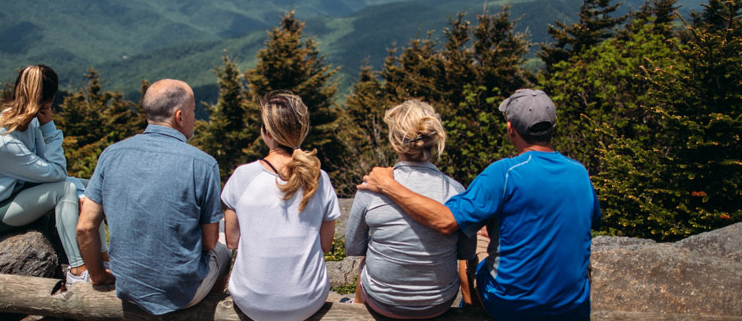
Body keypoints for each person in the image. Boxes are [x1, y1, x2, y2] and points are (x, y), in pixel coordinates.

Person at [357, 89, 601, 321]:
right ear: (552, 127)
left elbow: (446, 222)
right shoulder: (580, 173)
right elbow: (587, 221)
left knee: (473, 237)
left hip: (512, 305)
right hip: (572, 306)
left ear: (510, 128)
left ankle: (470, 309)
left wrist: (389, 186)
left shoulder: (504, 173)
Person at [76, 79, 230, 315]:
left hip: (127, 286)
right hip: (182, 293)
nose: (194, 119)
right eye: (194, 112)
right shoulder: (203, 164)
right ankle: (209, 312)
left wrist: (97, 275)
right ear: (180, 116)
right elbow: (209, 243)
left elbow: (85, 227)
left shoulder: (111, 155)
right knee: (223, 248)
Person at [0, 64, 107, 285]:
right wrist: (49, 126)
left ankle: (103, 258)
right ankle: (77, 270)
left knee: (91, 186)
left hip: (17, 194)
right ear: (47, 101)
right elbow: (58, 174)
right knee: (66, 190)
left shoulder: (23, 122)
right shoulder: (5, 142)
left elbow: (49, 169)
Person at [345, 99, 474, 319]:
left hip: (383, 303)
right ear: (433, 140)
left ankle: (356, 306)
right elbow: (465, 252)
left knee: (366, 257)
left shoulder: (371, 187)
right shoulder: (456, 190)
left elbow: (354, 246)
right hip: (439, 302)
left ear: (395, 143)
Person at [221, 90, 340, 320]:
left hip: (252, 301)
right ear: (301, 132)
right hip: (308, 300)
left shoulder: (242, 176)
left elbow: (232, 240)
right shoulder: (319, 178)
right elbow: (326, 245)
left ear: (266, 133)